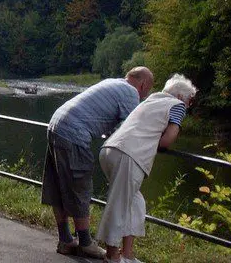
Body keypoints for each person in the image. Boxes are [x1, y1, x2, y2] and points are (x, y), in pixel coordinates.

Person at [42, 66, 154, 258]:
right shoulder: (131, 94)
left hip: (56, 124)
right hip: (74, 133)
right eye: (149, 89)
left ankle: (66, 240)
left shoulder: (113, 82)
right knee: (80, 185)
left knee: (58, 186)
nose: (146, 95)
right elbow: (128, 130)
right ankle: (85, 243)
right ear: (143, 84)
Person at [97, 74, 195, 263]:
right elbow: (166, 141)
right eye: (190, 100)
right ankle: (112, 256)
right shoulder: (177, 105)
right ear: (181, 97)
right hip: (128, 155)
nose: (189, 105)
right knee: (119, 205)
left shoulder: (150, 99)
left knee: (135, 203)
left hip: (110, 150)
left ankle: (128, 255)